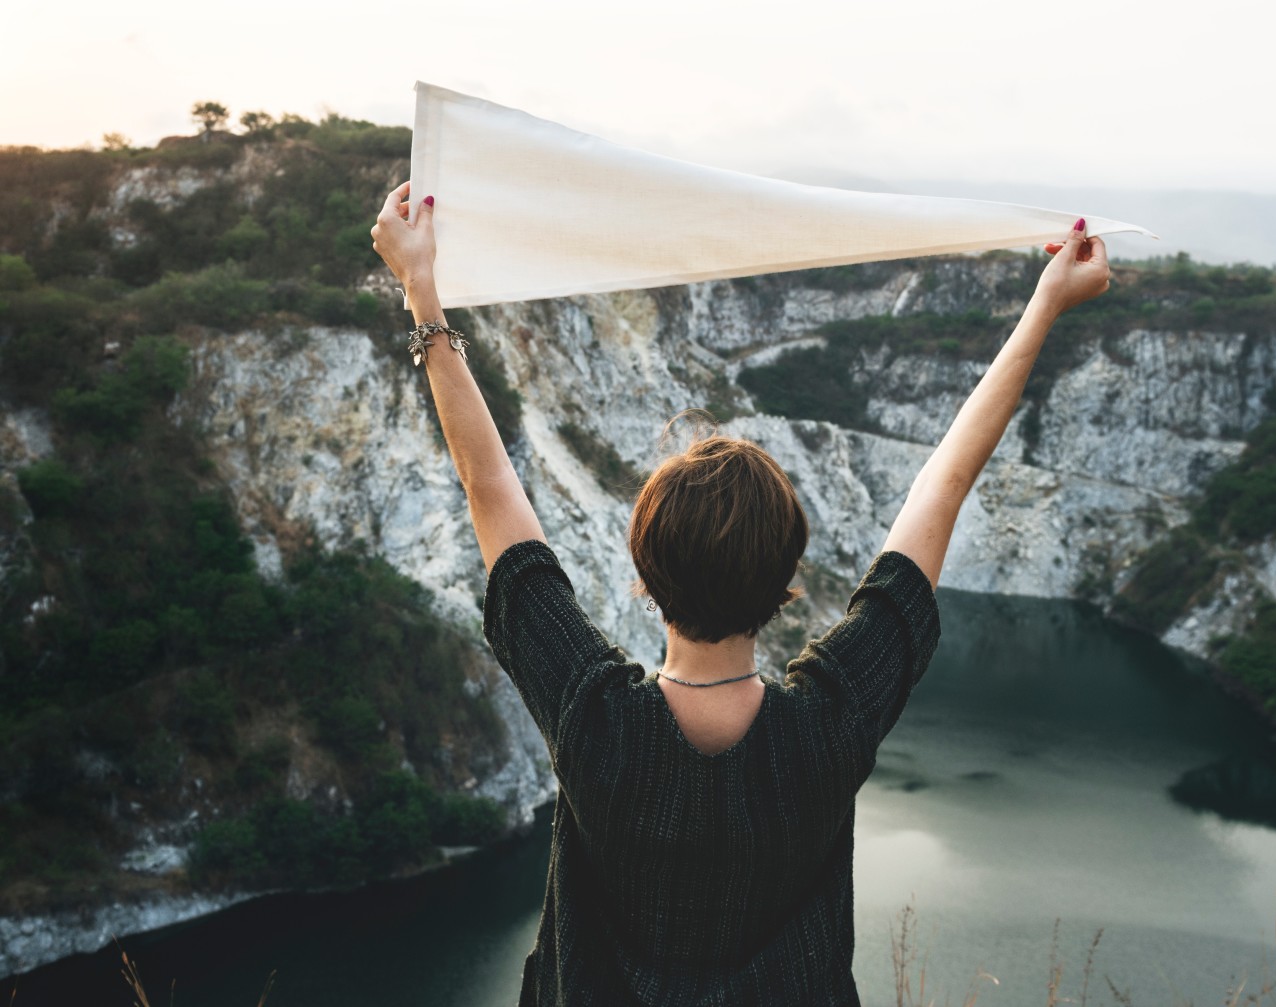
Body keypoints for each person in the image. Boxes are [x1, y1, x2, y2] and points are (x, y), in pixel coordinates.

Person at [371, 181, 1110, 1005]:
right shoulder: (831, 724)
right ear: (787, 585)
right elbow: (944, 486)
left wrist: (422, 293)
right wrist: (1045, 305)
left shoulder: (593, 719)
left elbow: (489, 487)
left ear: (644, 578)